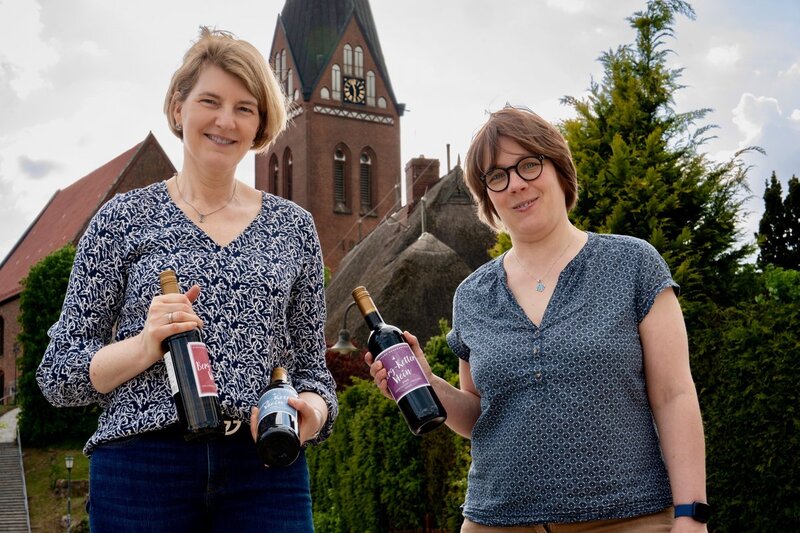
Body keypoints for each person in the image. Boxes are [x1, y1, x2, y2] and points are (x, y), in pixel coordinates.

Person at [37, 27, 336, 532]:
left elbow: (313, 372)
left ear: (260, 125)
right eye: (210, 101)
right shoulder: (121, 219)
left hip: (265, 470)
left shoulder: (294, 227)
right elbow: (58, 375)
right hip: (141, 467)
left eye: (245, 108)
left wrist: (312, 412)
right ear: (178, 108)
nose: (226, 120)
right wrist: (144, 345)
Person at [367, 105, 708, 532]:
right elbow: (479, 416)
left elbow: (674, 396)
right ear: (487, 196)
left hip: (626, 518)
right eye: (497, 176)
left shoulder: (633, 264)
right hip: (496, 522)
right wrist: (427, 382)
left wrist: (691, 515)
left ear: (560, 168)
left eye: (529, 164)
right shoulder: (472, 296)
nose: (516, 184)